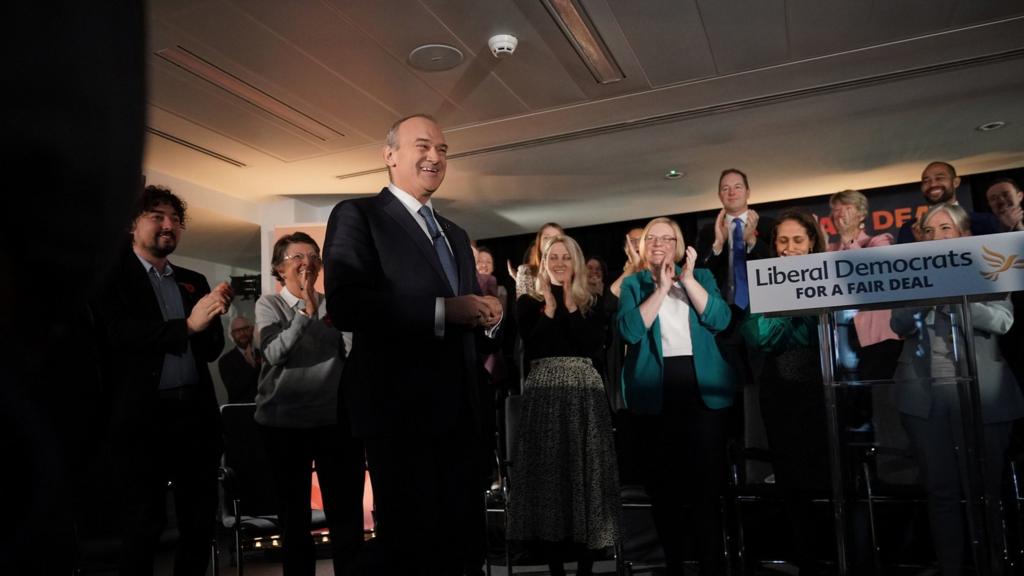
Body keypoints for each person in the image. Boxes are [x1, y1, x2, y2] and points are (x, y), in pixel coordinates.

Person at [322, 113, 502, 575]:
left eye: (442, 150)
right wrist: (445, 310)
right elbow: (346, 305)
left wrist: (485, 317)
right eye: (423, 146)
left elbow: (465, 322)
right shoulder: (357, 216)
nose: (435, 157)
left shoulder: (456, 234)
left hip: (462, 417)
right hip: (399, 414)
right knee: (412, 549)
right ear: (389, 156)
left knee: (463, 549)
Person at [98, 185, 232, 575]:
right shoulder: (111, 278)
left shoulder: (193, 280)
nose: (169, 225)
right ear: (131, 224)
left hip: (194, 417)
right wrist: (187, 325)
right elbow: (120, 336)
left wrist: (211, 318)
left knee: (198, 522)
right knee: (144, 524)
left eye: (175, 219)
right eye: (157, 216)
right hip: (143, 420)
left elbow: (208, 349)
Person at [891, 203, 1024, 575]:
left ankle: (994, 564)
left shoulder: (991, 266)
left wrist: (957, 297)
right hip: (924, 396)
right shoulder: (910, 274)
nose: (935, 237)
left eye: (944, 229)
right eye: (928, 231)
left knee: (986, 491)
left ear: (964, 235)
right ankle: (951, 567)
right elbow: (898, 323)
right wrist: (923, 295)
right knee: (941, 492)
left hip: (984, 396)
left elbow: (1003, 320)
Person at [618, 217, 734, 576]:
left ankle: (712, 566)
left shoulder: (702, 278)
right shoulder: (634, 285)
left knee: (704, 490)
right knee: (665, 492)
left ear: (679, 244)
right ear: (642, 245)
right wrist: (661, 287)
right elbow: (630, 331)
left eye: (667, 238)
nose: (659, 243)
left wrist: (685, 281)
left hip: (702, 394)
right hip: (656, 395)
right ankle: (674, 566)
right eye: (652, 237)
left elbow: (721, 319)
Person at [254, 232, 365, 575]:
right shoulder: (268, 306)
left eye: (312, 256)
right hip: (284, 422)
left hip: (334, 421)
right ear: (279, 268)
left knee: (345, 514)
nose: (306, 263)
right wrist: (305, 314)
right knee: (294, 518)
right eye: (296, 257)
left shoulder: (335, 304)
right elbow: (273, 352)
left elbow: (351, 350)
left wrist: (319, 315)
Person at [509, 234, 620, 576]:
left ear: (576, 262)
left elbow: (591, 344)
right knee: (549, 478)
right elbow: (534, 343)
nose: (559, 263)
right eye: (553, 257)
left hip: (584, 392)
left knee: (587, 474)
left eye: (566, 257)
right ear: (544, 263)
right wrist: (551, 308)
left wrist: (570, 303)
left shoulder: (593, 301)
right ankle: (555, 567)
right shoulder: (528, 302)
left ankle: (587, 566)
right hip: (544, 392)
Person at [742, 211, 831, 575]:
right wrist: (789, 300)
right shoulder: (761, 284)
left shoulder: (829, 277)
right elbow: (759, 337)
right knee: (792, 480)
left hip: (828, 389)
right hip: (781, 391)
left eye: (798, 240)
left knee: (828, 473)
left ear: (811, 242)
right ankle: (805, 558)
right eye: (783, 241)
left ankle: (835, 553)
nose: (790, 248)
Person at [896, 161, 1001, 243]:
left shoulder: (985, 221)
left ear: (956, 182)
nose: (933, 184)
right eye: (926, 181)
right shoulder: (909, 229)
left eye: (939, 178)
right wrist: (920, 244)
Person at [510, 223, 565, 299]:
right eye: (546, 238)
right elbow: (523, 305)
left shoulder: (571, 270)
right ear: (539, 243)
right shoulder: (526, 271)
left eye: (556, 238)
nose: (551, 241)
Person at [218, 316, 261, 404]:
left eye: (245, 328)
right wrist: (252, 366)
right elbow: (234, 390)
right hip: (241, 411)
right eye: (237, 331)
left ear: (252, 330)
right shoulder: (225, 361)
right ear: (232, 335)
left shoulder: (264, 353)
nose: (242, 333)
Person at [609, 227, 644, 297]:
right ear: (626, 249)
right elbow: (610, 301)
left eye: (641, 240)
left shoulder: (657, 273)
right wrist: (634, 264)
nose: (637, 244)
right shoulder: (613, 277)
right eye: (632, 241)